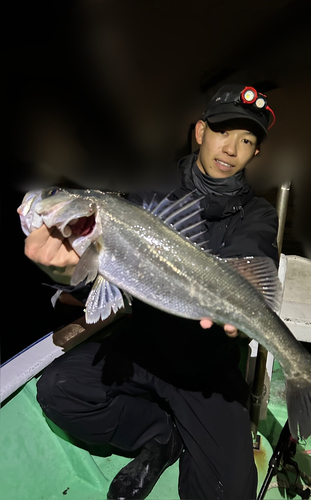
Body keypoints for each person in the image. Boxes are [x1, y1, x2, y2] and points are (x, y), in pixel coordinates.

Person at [24, 84, 279, 500]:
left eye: (246, 140)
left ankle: (184, 426)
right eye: (222, 132)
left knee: (230, 492)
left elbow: (249, 264)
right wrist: (58, 267)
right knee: (59, 390)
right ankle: (161, 435)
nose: (231, 148)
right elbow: (96, 273)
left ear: (255, 154)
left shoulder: (258, 215)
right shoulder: (152, 190)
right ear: (200, 132)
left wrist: (240, 309)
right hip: (142, 347)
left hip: (208, 368)